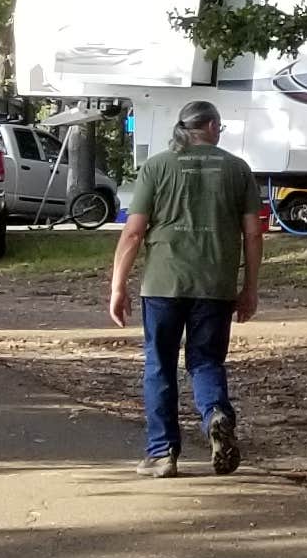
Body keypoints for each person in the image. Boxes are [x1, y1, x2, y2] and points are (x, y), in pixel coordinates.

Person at [107, 100, 267, 477]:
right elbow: (253, 233)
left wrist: (118, 286)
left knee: (159, 363)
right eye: (220, 127)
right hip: (215, 284)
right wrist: (250, 287)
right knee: (206, 361)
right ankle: (215, 414)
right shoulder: (237, 169)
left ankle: (162, 453)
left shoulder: (157, 166)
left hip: (163, 282)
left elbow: (133, 232)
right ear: (211, 126)